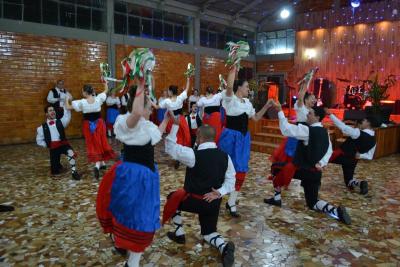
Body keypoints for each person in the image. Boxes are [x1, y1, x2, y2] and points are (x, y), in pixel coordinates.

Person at [96, 82, 170, 267]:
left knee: (139, 215)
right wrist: (139, 83)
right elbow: (136, 114)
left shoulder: (147, 125)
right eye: (148, 105)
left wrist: (166, 120)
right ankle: (130, 257)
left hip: (146, 177)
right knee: (131, 214)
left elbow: (155, 135)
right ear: (138, 106)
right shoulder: (126, 121)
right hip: (131, 176)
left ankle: (128, 252)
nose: (151, 109)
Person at [265, 101, 351, 225]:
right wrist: (321, 163)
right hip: (315, 173)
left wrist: (279, 111)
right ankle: (336, 211)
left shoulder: (308, 131)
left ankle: (277, 198)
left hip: (304, 170)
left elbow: (286, 130)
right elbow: (329, 150)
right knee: (312, 202)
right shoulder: (324, 132)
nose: (307, 115)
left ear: (317, 117)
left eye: (310, 113)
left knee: (275, 167)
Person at [163, 124, 236, 267]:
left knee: (173, 197)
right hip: (212, 203)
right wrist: (219, 193)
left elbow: (170, 148)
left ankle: (179, 233)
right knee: (209, 233)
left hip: (194, 201)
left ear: (199, 137)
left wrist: (175, 125)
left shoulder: (192, 154)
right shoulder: (225, 156)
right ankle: (224, 247)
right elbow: (231, 180)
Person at [219, 65, 272, 217]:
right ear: (239, 88)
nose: (249, 89)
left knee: (241, 171)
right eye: (247, 86)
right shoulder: (230, 100)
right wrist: (233, 69)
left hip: (243, 139)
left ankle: (232, 201)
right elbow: (229, 86)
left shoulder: (247, 103)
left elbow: (255, 118)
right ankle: (218, 196)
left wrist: (266, 106)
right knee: (225, 169)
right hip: (230, 138)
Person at [265, 83, 317, 202]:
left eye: (315, 98)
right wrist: (307, 81)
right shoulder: (300, 106)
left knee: (299, 167)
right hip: (295, 139)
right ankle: (277, 195)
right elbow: (300, 96)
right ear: (305, 99)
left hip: (305, 141)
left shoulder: (313, 112)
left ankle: (308, 191)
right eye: (312, 98)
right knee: (282, 165)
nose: (314, 100)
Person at [65, 83, 115, 179]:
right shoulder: (98, 98)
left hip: (88, 125)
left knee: (93, 144)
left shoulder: (82, 102)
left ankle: (98, 165)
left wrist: (67, 99)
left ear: (84, 92)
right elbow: (106, 90)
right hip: (99, 124)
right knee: (100, 142)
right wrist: (105, 83)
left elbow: (68, 107)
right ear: (92, 91)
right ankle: (101, 163)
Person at [327, 110, 378, 195]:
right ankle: (361, 183)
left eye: (364, 120)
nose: (361, 122)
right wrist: (360, 155)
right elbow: (370, 156)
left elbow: (343, 127)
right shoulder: (374, 140)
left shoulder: (358, 133)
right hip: (353, 161)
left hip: (342, 155)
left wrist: (331, 115)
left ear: (368, 123)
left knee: (322, 158)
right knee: (349, 181)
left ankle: (313, 181)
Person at [155, 77, 192, 169]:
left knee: (176, 139)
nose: (167, 92)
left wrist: (148, 99)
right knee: (184, 137)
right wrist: (188, 79)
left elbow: (156, 107)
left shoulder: (167, 101)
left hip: (173, 121)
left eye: (168, 91)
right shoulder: (180, 97)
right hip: (181, 120)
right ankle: (180, 157)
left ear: (171, 92)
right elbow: (187, 89)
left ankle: (177, 157)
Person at [36, 105, 81, 180]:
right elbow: (39, 140)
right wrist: (47, 144)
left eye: (53, 110)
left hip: (63, 144)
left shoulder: (61, 121)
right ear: (46, 114)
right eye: (50, 110)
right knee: (55, 171)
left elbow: (67, 116)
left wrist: (66, 106)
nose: (53, 111)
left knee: (70, 152)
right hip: (53, 147)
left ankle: (74, 172)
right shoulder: (42, 127)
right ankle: (58, 165)